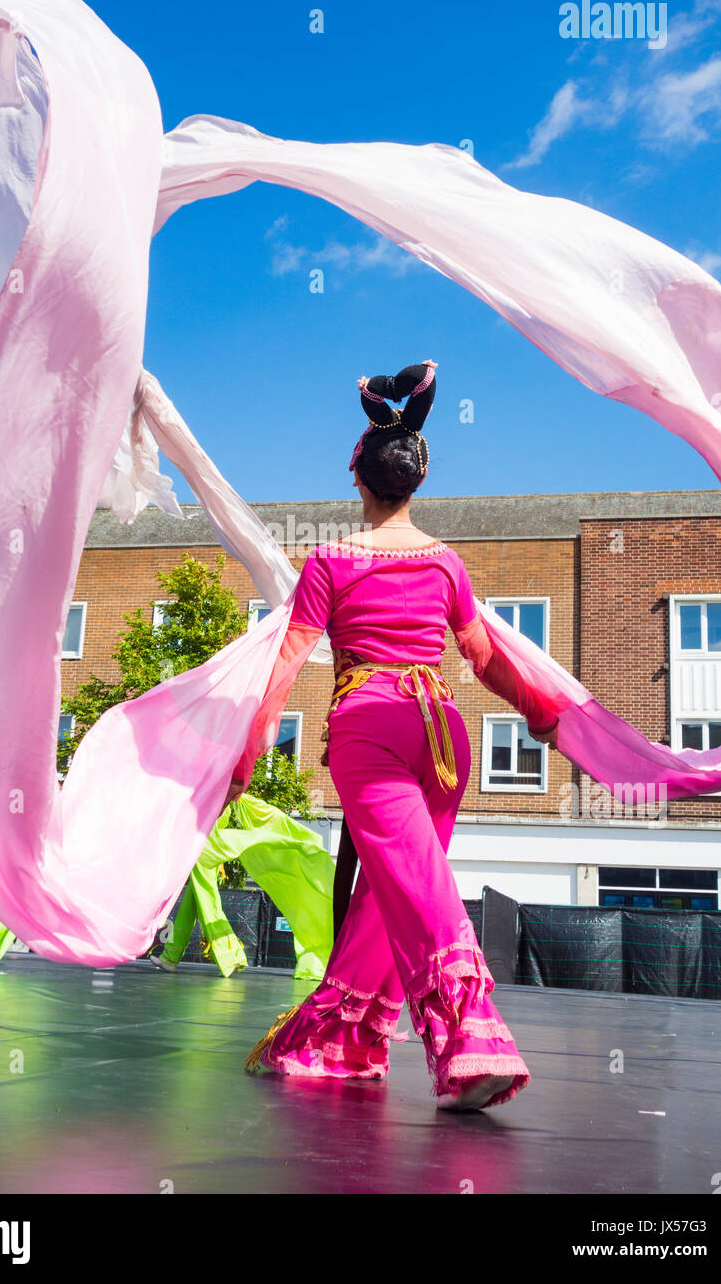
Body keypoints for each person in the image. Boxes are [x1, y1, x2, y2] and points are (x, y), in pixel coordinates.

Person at [223, 361, 560, 1111]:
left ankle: (473, 1040)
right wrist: (541, 713)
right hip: (443, 732)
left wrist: (247, 754)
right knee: (389, 892)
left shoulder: (333, 558)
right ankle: (344, 1040)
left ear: (359, 480)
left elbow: (285, 664)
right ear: (415, 482)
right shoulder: (446, 562)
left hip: (370, 726)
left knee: (412, 887)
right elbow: (482, 658)